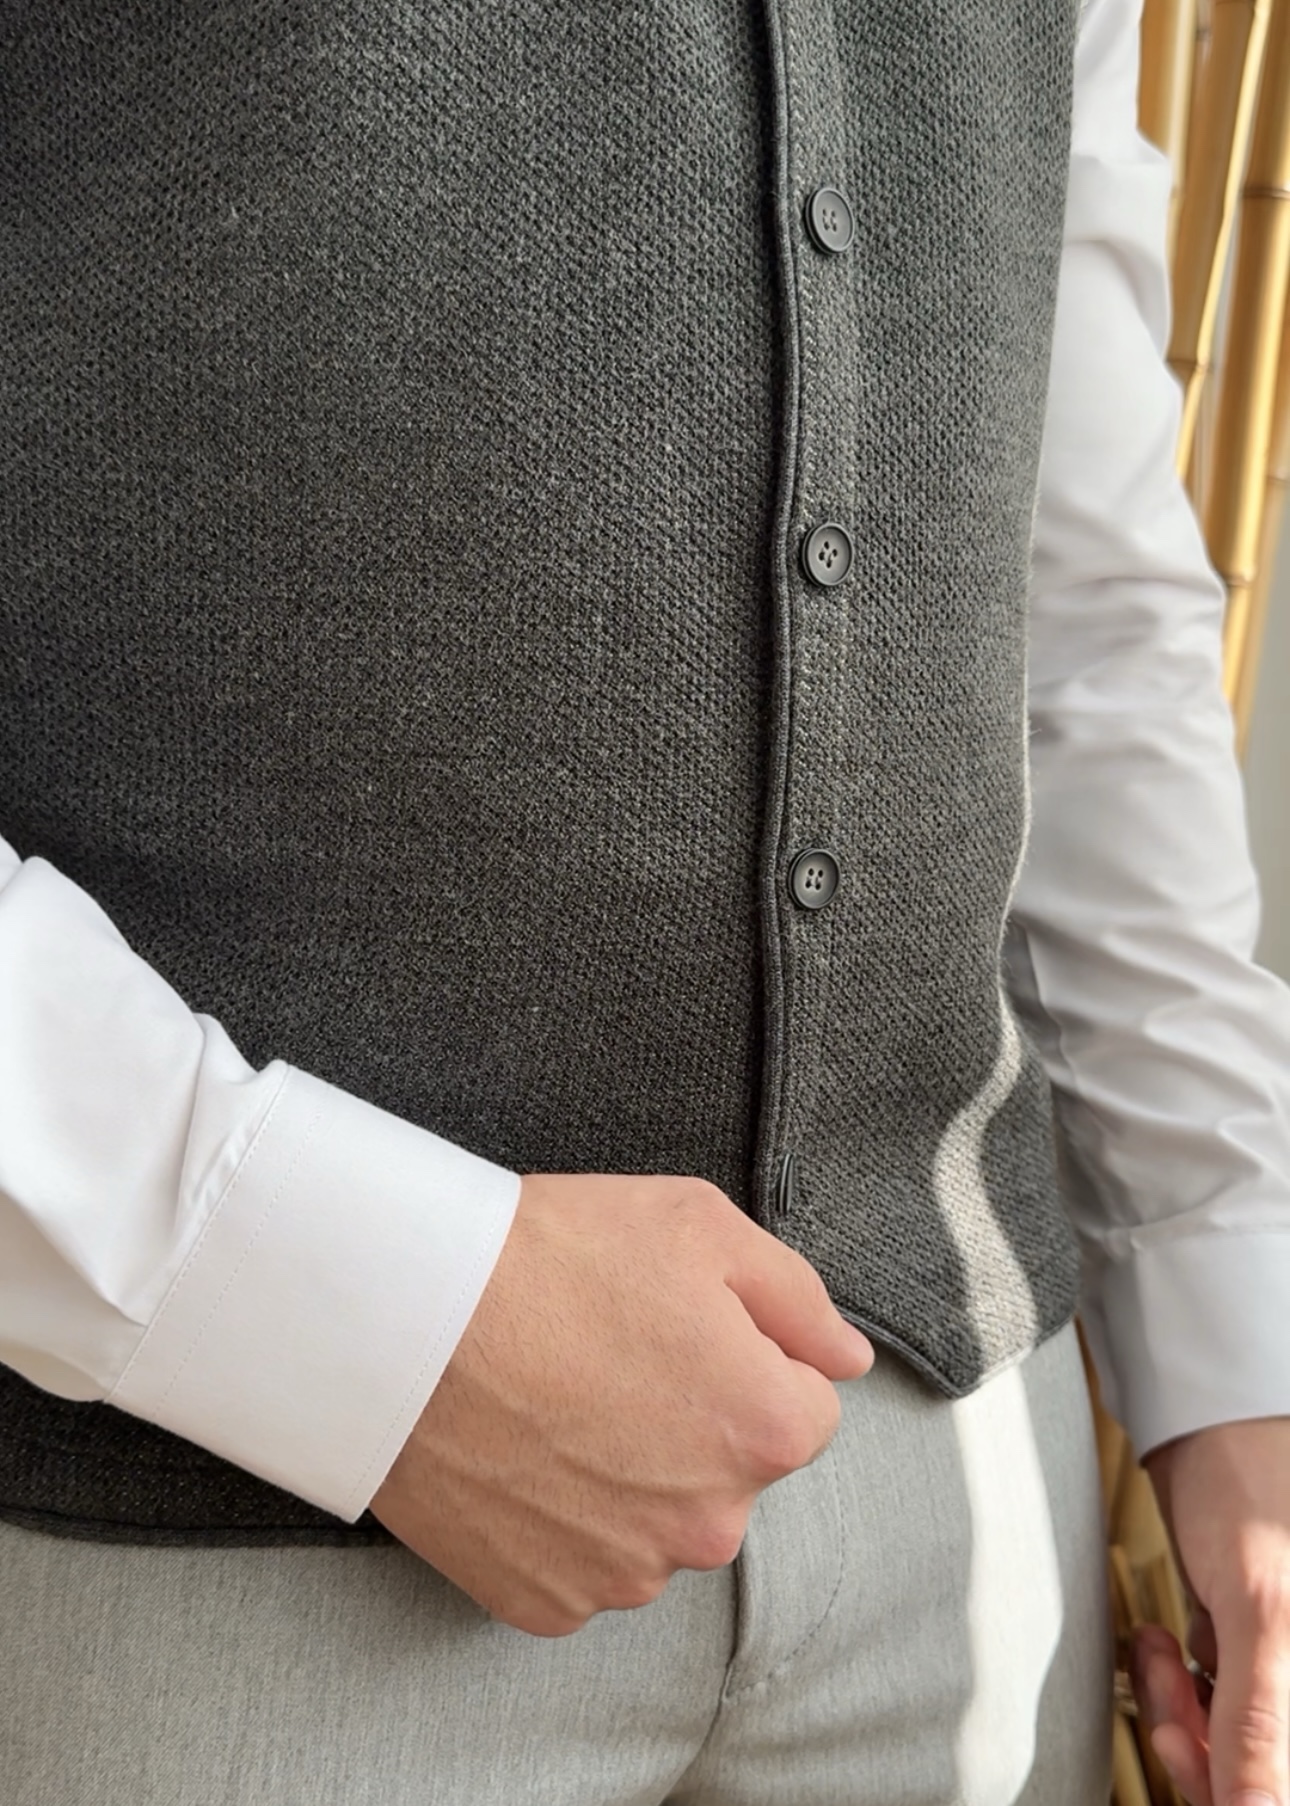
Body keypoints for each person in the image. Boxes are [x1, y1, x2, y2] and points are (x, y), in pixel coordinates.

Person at [2, 0, 1289, 1801]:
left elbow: (1074, 588)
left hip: (961, 1535)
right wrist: (318, 1291)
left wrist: (1235, 1345)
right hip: (187, 1528)